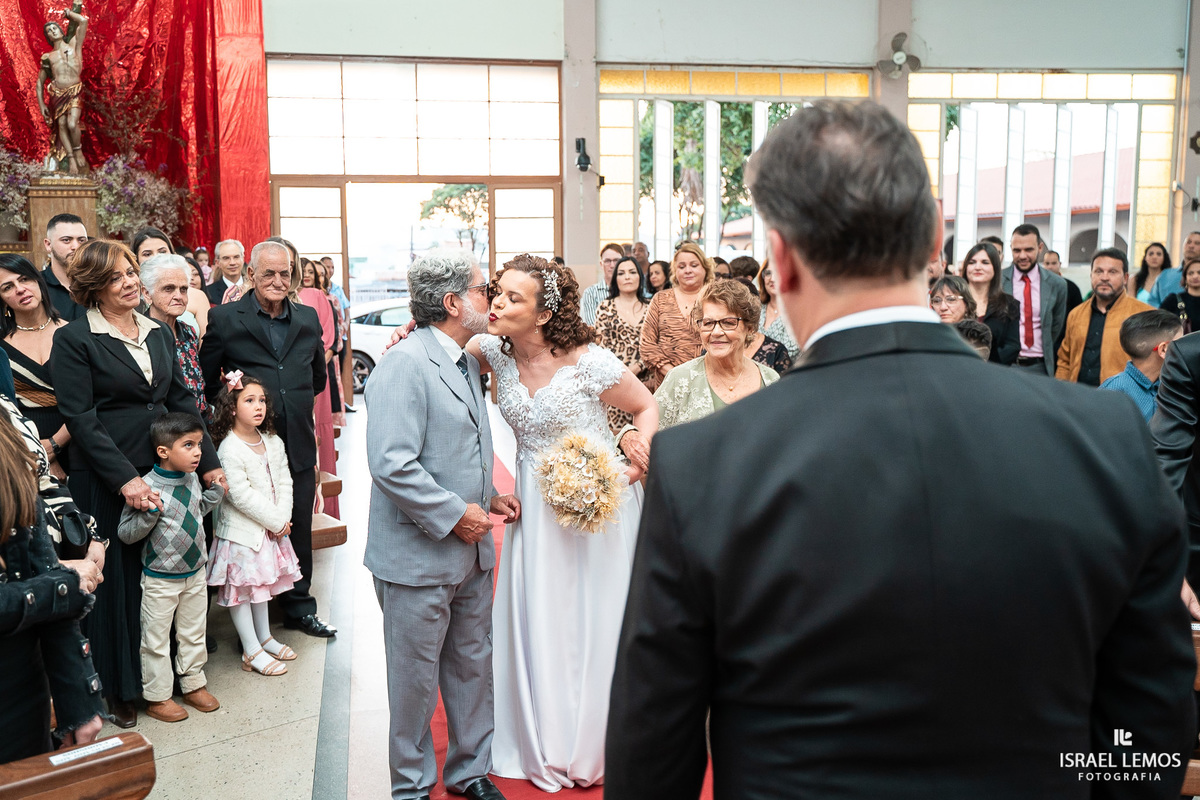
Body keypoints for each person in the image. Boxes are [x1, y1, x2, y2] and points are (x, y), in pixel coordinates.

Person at [606, 99, 1196, 799]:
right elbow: (1151, 732)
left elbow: (653, 747)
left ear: (781, 261)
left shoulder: (703, 466)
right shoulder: (1103, 439)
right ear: (935, 239)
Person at [472, 254, 657, 792]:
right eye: (496, 291)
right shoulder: (489, 350)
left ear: (544, 314)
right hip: (535, 506)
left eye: (511, 297)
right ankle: (543, 733)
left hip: (596, 503)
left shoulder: (589, 361)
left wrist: (630, 463)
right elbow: (437, 355)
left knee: (597, 614)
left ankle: (600, 739)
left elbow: (645, 405)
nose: (497, 302)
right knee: (542, 612)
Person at [50, 239, 224, 729]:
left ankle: (166, 680)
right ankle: (118, 687)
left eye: (130, 272)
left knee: (158, 582)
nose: (128, 282)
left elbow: (180, 400)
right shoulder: (76, 339)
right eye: (116, 277)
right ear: (92, 288)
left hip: (163, 470)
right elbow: (80, 417)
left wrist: (206, 460)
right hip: (107, 474)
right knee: (115, 583)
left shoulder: (158, 332)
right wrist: (125, 479)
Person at [365, 250, 517, 800]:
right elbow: (391, 464)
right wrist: (456, 514)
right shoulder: (403, 365)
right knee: (413, 684)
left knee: (472, 667)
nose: (491, 298)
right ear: (453, 302)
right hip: (417, 557)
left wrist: (490, 496)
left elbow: (454, 448)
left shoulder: (464, 360)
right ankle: (411, 786)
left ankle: (469, 771)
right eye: (483, 289)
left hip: (471, 553)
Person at [200, 240, 335, 639]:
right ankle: (250, 601)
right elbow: (208, 383)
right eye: (269, 273)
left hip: (295, 438)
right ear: (251, 275)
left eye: (285, 273)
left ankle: (298, 606)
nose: (278, 280)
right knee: (250, 523)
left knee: (297, 525)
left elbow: (316, 378)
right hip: (248, 445)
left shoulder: (308, 317)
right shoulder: (224, 318)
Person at [0, 411, 104, 764]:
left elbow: (38, 558)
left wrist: (79, 703)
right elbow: (53, 585)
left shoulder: (5, 424)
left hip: (17, 696)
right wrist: (62, 586)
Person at [116, 413, 225, 723]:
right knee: (156, 640)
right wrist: (149, 515)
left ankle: (193, 684)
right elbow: (126, 533)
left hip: (195, 573)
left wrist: (212, 499)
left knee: (193, 632)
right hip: (160, 578)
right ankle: (158, 696)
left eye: (199, 445)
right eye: (188, 445)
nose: (197, 453)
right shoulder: (145, 487)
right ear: (163, 451)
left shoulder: (191, 479)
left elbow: (193, 512)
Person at [207, 372, 303, 677]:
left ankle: (265, 638)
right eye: (249, 400)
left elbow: (285, 479)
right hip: (242, 536)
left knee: (260, 587)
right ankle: (250, 649)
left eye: (262, 400)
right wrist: (276, 521)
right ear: (232, 408)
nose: (259, 406)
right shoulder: (229, 448)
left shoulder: (272, 441)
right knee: (242, 591)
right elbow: (240, 496)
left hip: (270, 529)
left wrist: (283, 517)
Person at [655, 279, 779, 428]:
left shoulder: (770, 380)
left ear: (750, 328)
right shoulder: (680, 379)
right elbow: (647, 435)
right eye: (708, 323)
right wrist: (628, 435)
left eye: (728, 322)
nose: (716, 332)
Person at [0, 254, 72, 477]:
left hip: (80, 440)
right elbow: (4, 411)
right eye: (7, 287)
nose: (20, 289)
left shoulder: (76, 334)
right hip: (23, 454)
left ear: (39, 282)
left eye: (25, 279)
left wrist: (54, 445)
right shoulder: (1, 347)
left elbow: (93, 399)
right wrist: (37, 451)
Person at [1057, 248, 1154, 386]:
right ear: (1091, 275)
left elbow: (1153, 365)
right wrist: (1062, 391)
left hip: (1119, 399)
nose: (1104, 277)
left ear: (1125, 278)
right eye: (1099, 271)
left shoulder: (1143, 314)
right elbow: (1064, 360)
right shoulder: (1076, 314)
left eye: (1112, 272)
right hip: (1077, 398)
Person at [141, 254, 209, 420]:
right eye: (168, 289)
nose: (179, 296)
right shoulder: (139, 335)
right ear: (147, 293)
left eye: (183, 289)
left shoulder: (189, 332)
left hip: (199, 424)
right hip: (166, 431)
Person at [298, 260, 340, 517]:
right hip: (288, 381)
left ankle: (325, 510)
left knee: (318, 437)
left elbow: (328, 339)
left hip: (314, 377)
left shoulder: (316, 296)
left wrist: (309, 367)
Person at [595, 256, 655, 432]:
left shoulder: (652, 306)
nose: (627, 277)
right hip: (615, 383)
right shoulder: (605, 307)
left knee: (646, 440)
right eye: (621, 273)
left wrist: (638, 366)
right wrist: (622, 372)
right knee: (618, 445)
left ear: (640, 277)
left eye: (632, 272)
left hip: (648, 383)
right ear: (615, 279)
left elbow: (657, 346)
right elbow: (600, 348)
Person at [1001, 224, 1068, 375]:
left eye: (1028, 250)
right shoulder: (998, 281)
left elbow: (1055, 327)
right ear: (1011, 248)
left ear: (1040, 247)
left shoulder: (1057, 284)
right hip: (1006, 365)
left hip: (1041, 366)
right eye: (1017, 250)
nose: (1023, 256)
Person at [641, 243, 713, 380]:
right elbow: (647, 344)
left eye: (694, 265)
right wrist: (674, 374)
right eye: (681, 267)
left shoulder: (716, 298)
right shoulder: (660, 299)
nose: (687, 270)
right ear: (675, 271)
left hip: (709, 380)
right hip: (667, 381)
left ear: (705, 268)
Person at [1098, 309, 1182, 423]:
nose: (1184, 349)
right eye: (1180, 343)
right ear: (1163, 349)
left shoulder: (1169, 386)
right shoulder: (1114, 391)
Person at [36, 1, 88, 173]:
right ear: (48, 37)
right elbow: (39, 82)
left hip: (74, 89)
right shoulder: (48, 57)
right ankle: (71, 160)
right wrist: (42, 105)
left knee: (73, 123)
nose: (53, 31)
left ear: (60, 29)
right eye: (49, 31)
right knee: (62, 124)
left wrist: (69, 13)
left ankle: (78, 151)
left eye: (55, 28)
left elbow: (83, 21)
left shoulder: (73, 45)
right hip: (57, 93)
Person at [961, 243, 1020, 365]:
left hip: (995, 372)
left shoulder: (1009, 304)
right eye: (972, 262)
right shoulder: (954, 300)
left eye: (985, 262)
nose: (977, 267)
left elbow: (1012, 347)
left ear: (995, 268)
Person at [41, 213, 88, 322]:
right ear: (48, 245)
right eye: (66, 240)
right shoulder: (37, 286)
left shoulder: (98, 283)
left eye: (81, 240)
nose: (76, 247)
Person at [755, 259, 800, 359]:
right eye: (768, 273)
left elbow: (790, 351)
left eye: (777, 272)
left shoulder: (797, 310)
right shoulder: (757, 308)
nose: (772, 278)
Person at [1148, 231, 1200, 307]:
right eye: (1188, 242)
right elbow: (1152, 303)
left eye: (1197, 243)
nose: (1191, 246)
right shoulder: (1165, 275)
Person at [580, 243, 625, 325]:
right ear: (601, 264)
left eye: (616, 260)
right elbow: (593, 326)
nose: (612, 265)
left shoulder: (631, 290)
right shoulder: (591, 293)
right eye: (608, 261)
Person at [1160, 257, 1200, 334]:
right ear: (1185, 278)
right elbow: (1159, 324)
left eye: (1199, 272)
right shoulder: (1173, 300)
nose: (1195, 276)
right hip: (1182, 345)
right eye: (1190, 273)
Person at [206, 239, 245, 306]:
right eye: (226, 258)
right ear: (217, 262)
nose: (232, 263)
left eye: (236, 257)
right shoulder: (208, 292)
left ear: (243, 259)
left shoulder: (254, 288)